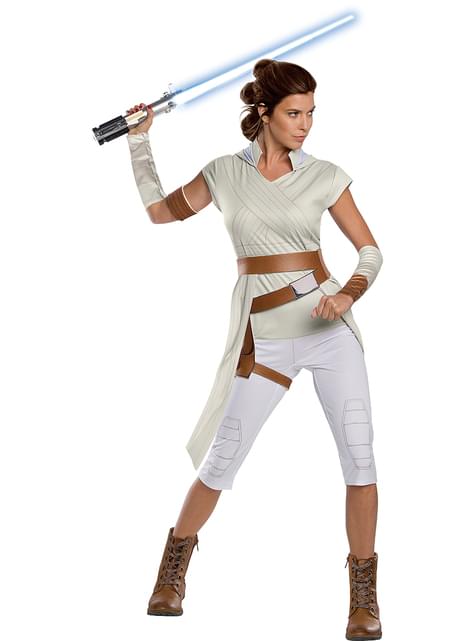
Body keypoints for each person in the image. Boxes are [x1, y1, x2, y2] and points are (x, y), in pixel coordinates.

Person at [126, 58, 383, 640]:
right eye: (294, 113)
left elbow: (371, 252)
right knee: (222, 460)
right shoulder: (224, 172)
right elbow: (160, 212)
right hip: (263, 339)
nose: (305, 124)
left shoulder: (326, 175)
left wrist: (347, 293)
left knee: (359, 458)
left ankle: (363, 598)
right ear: (264, 113)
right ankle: (172, 573)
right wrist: (139, 144)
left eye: (311, 113)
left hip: (329, 336)